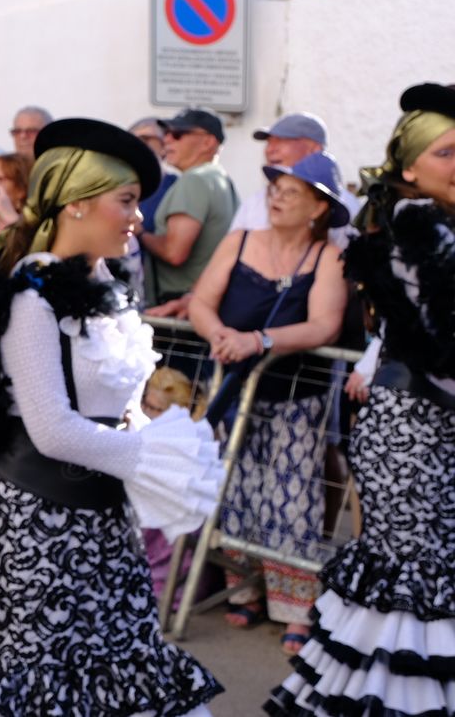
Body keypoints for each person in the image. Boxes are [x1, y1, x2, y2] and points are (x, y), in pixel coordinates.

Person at [0, 118, 223, 716]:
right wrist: (149, 459)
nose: (139, 218)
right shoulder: (31, 295)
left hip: (105, 513)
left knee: (124, 657)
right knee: (50, 676)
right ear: (79, 205)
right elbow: (51, 427)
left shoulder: (108, 284)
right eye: (127, 201)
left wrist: (147, 441)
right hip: (41, 520)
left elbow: (121, 402)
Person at [269, 83, 455, 715]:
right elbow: (443, 343)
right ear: (409, 167)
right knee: (415, 588)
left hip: (433, 428)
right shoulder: (415, 228)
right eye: (448, 153)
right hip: (413, 437)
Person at [186, 151, 348, 654]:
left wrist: (260, 340)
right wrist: (218, 335)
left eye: (291, 192)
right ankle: (247, 588)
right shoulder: (239, 242)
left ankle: (296, 607)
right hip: (234, 388)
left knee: (293, 497)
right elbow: (199, 302)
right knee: (238, 489)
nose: (276, 196)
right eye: (275, 188)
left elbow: (325, 325)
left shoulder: (328, 257)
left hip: (297, 395)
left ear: (319, 208)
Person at [141, 107, 237, 311]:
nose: (167, 140)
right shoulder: (220, 179)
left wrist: (139, 233)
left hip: (179, 306)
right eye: (166, 134)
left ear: (208, 142)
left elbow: (174, 252)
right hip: (203, 301)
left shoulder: (195, 180)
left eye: (177, 135)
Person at [231, 111, 359, 247]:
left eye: (281, 141)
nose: (270, 150)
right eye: (269, 142)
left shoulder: (345, 208)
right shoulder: (255, 202)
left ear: (314, 148)